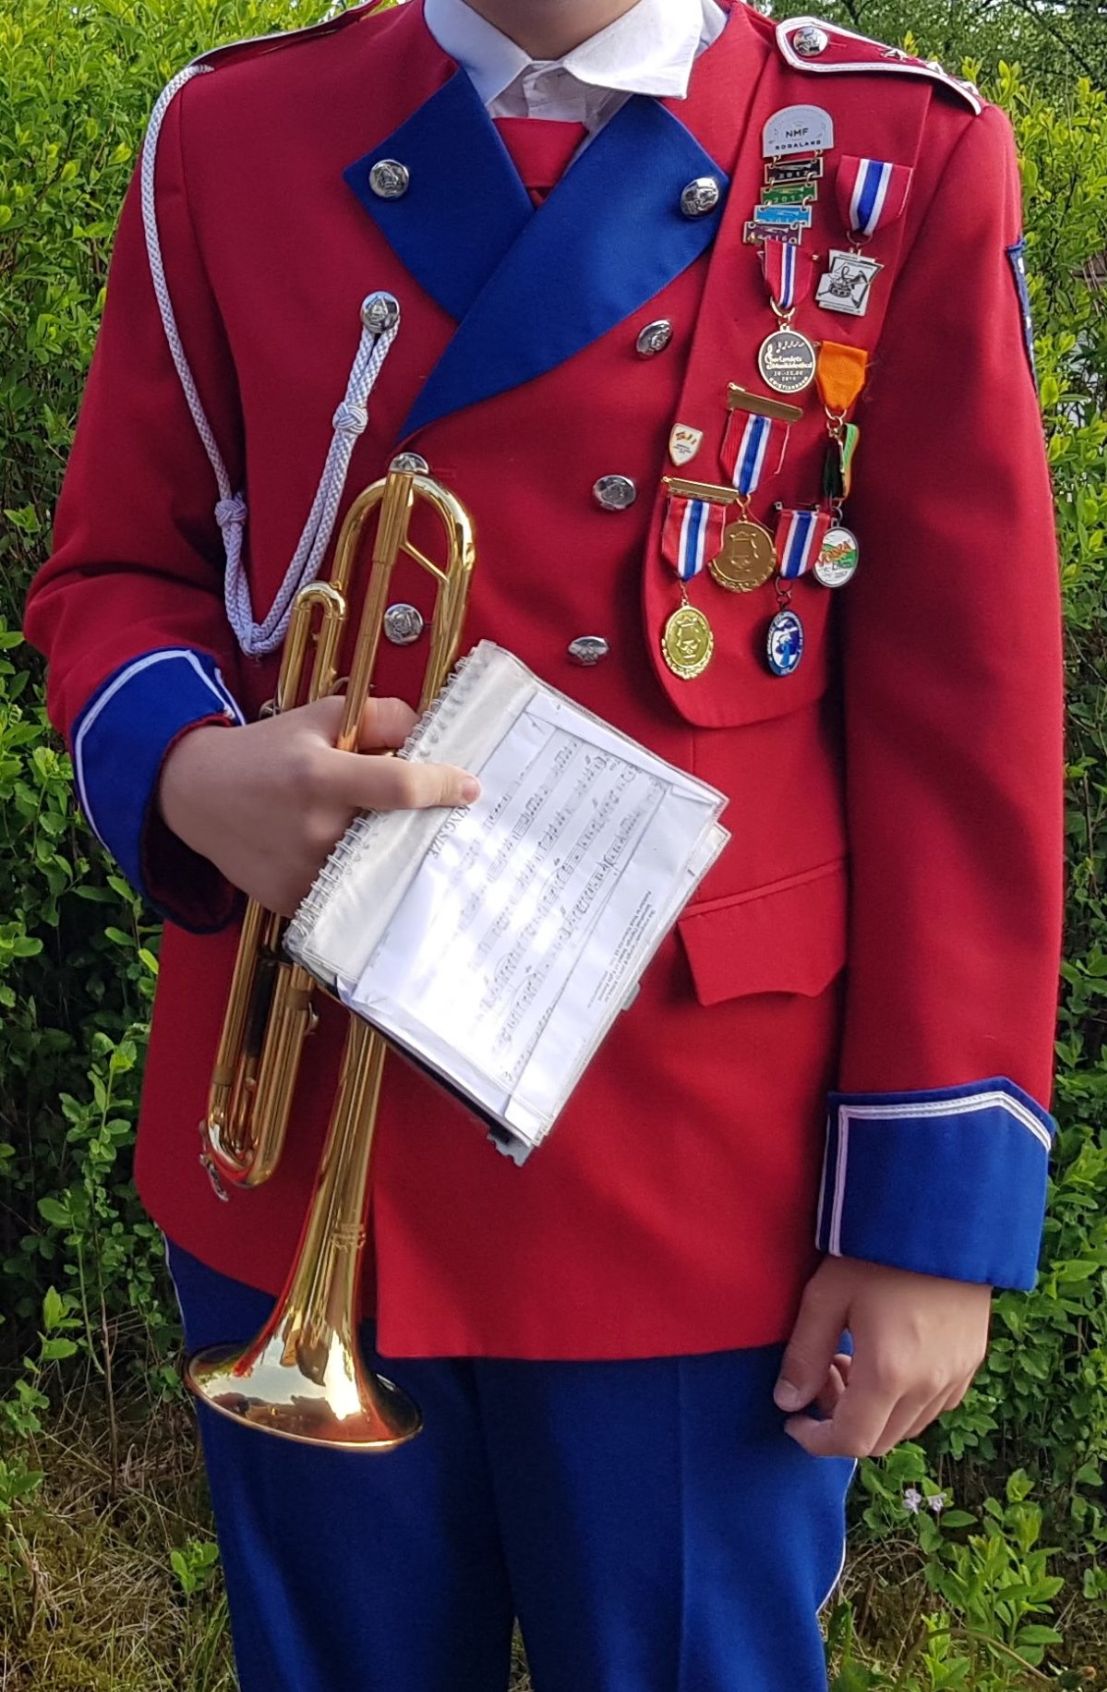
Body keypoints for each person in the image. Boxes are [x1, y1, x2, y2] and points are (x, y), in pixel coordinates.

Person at [24, 0, 1064, 1687]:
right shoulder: (230, 130)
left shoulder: (897, 154)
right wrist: (189, 770)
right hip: (302, 1113)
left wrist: (929, 1210)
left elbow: (968, 710)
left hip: (698, 1165)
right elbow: (117, 573)